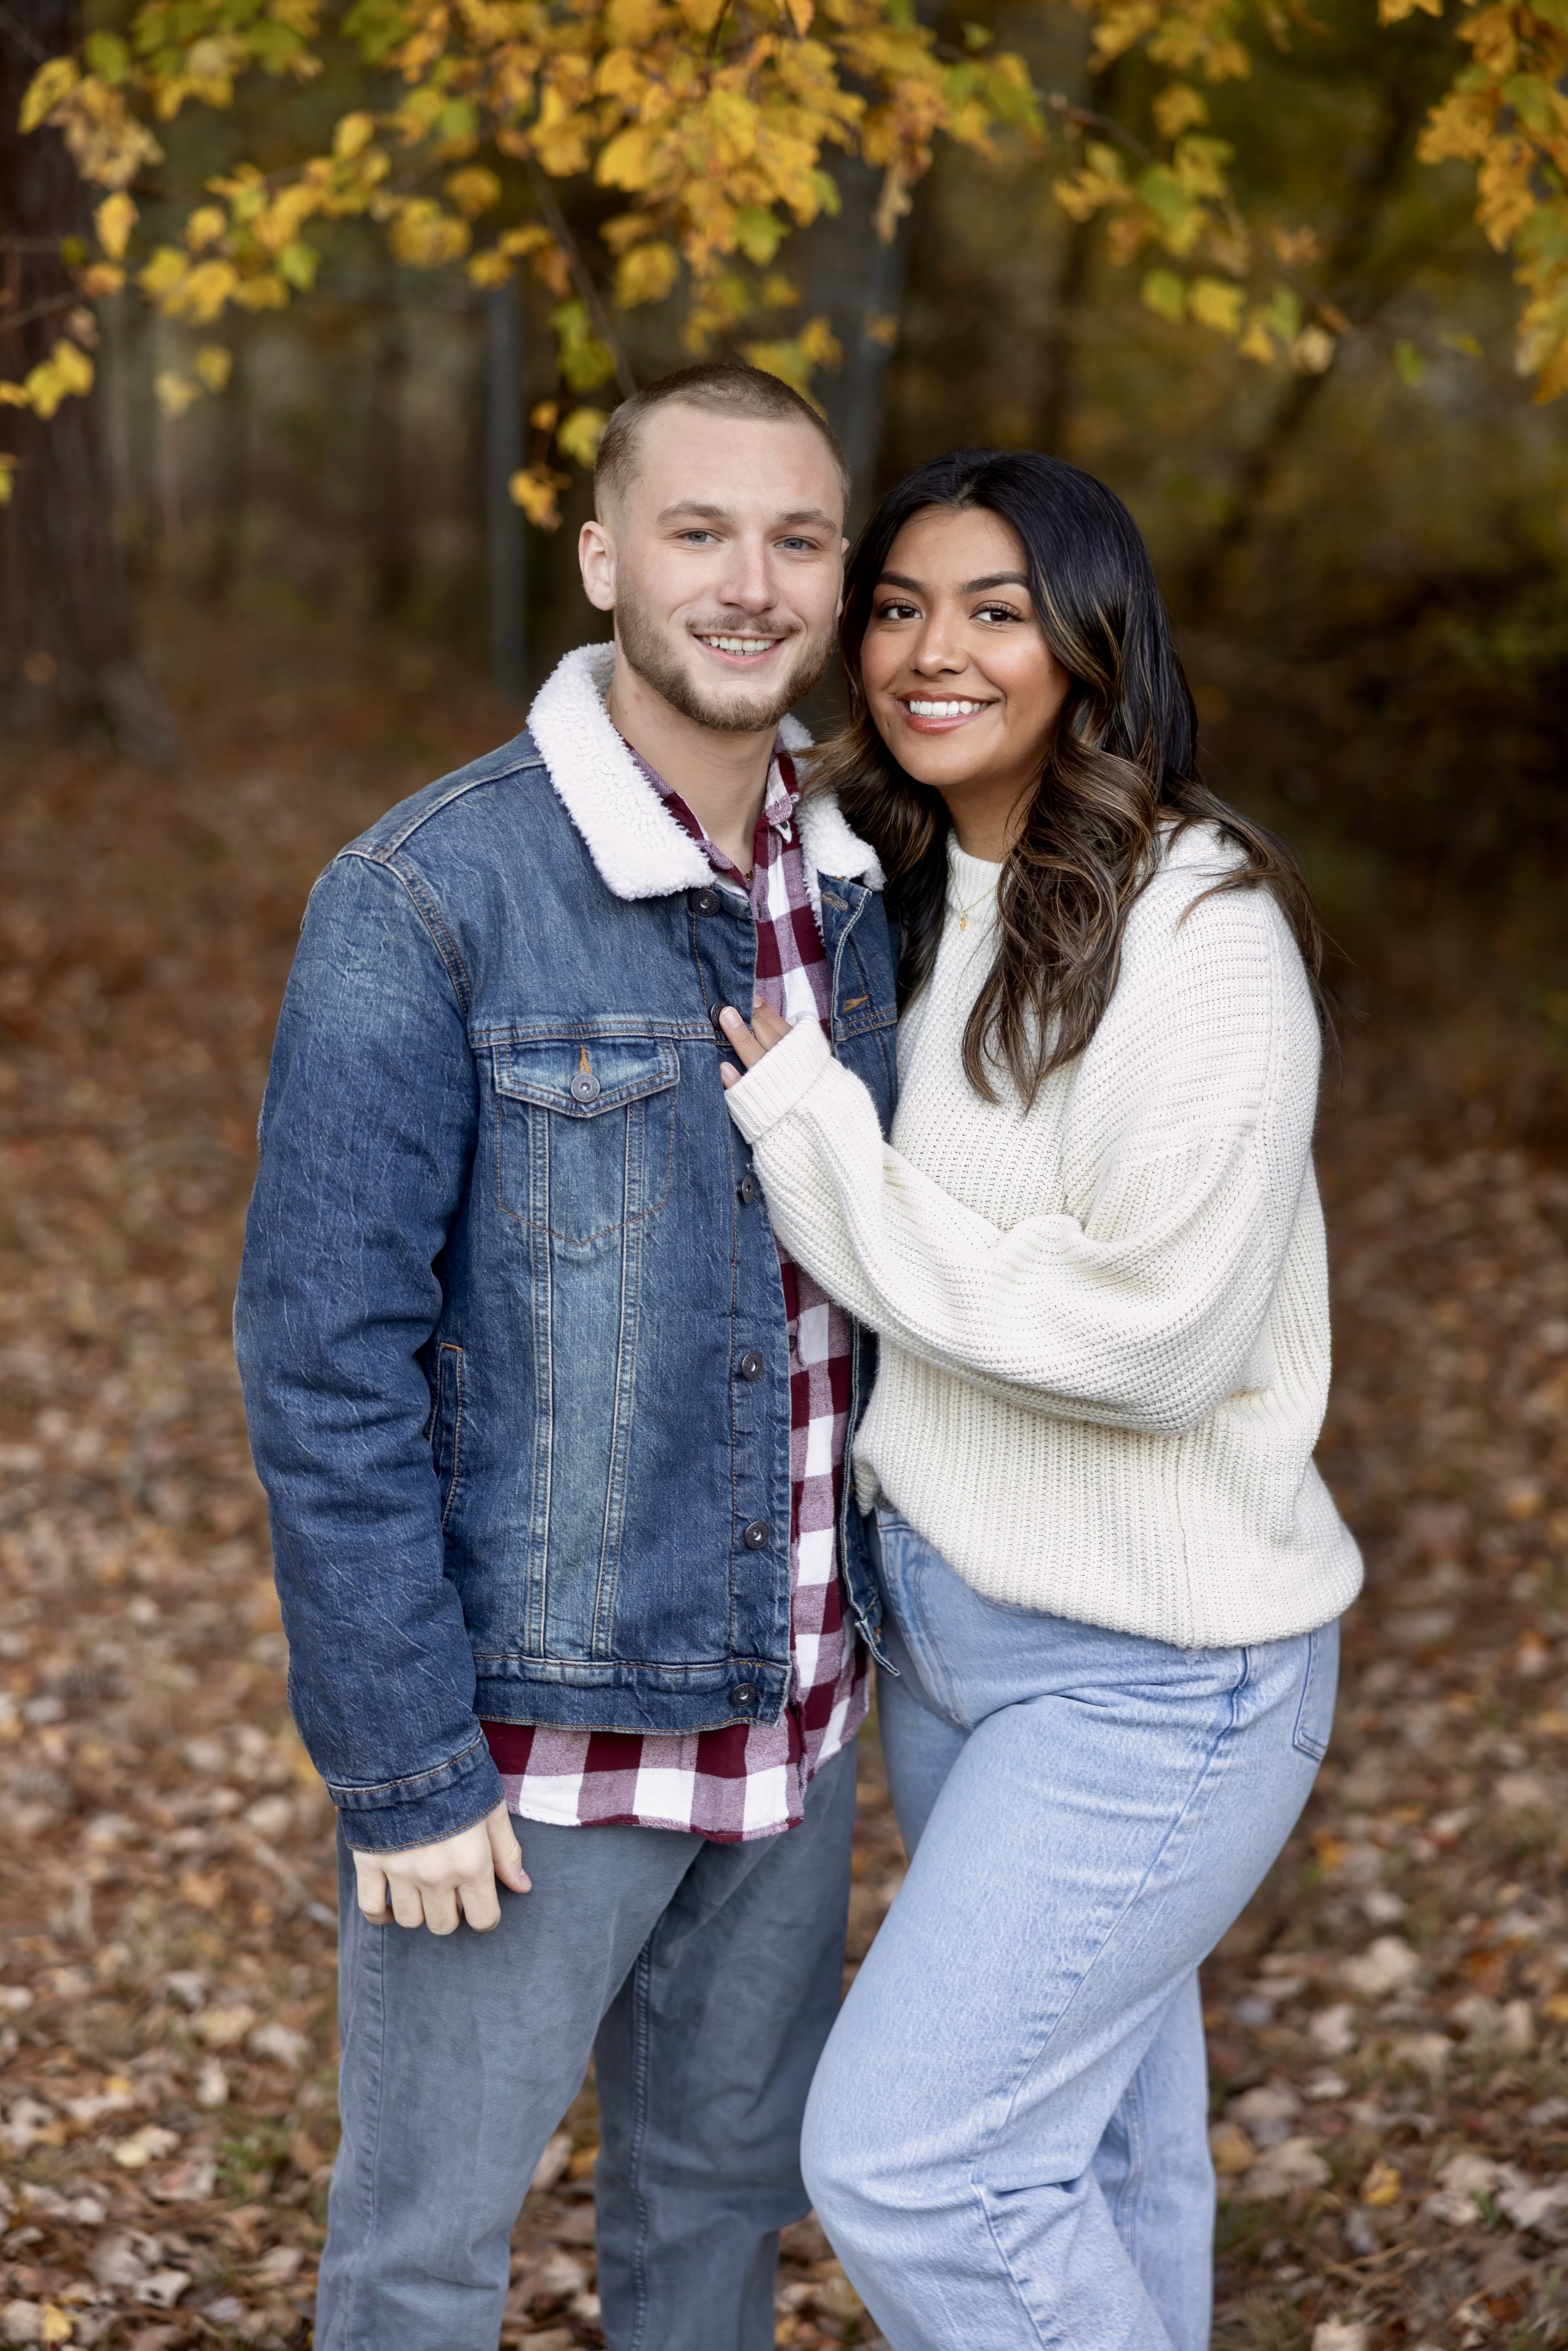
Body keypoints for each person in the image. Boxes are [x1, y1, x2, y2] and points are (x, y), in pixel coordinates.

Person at [233, 362, 898, 2351]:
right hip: (533, 1752)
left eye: (794, 537)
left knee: (709, 2219)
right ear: (604, 554)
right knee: (428, 2255)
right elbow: (320, 1361)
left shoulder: (858, 892)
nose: (749, 580)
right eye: (699, 530)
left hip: (796, 1713)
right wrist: (402, 1766)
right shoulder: (427, 894)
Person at [715, 446, 1363, 2351]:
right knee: (1091, 2162)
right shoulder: (903, 892)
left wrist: (813, 1151)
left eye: (995, 611)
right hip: (954, 1645)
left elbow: (1151, 1334)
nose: (934, 651)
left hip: (1154, 1671)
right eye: (902, 605)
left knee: (917, 2162)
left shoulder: (1200, 928)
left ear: (1089, 646)